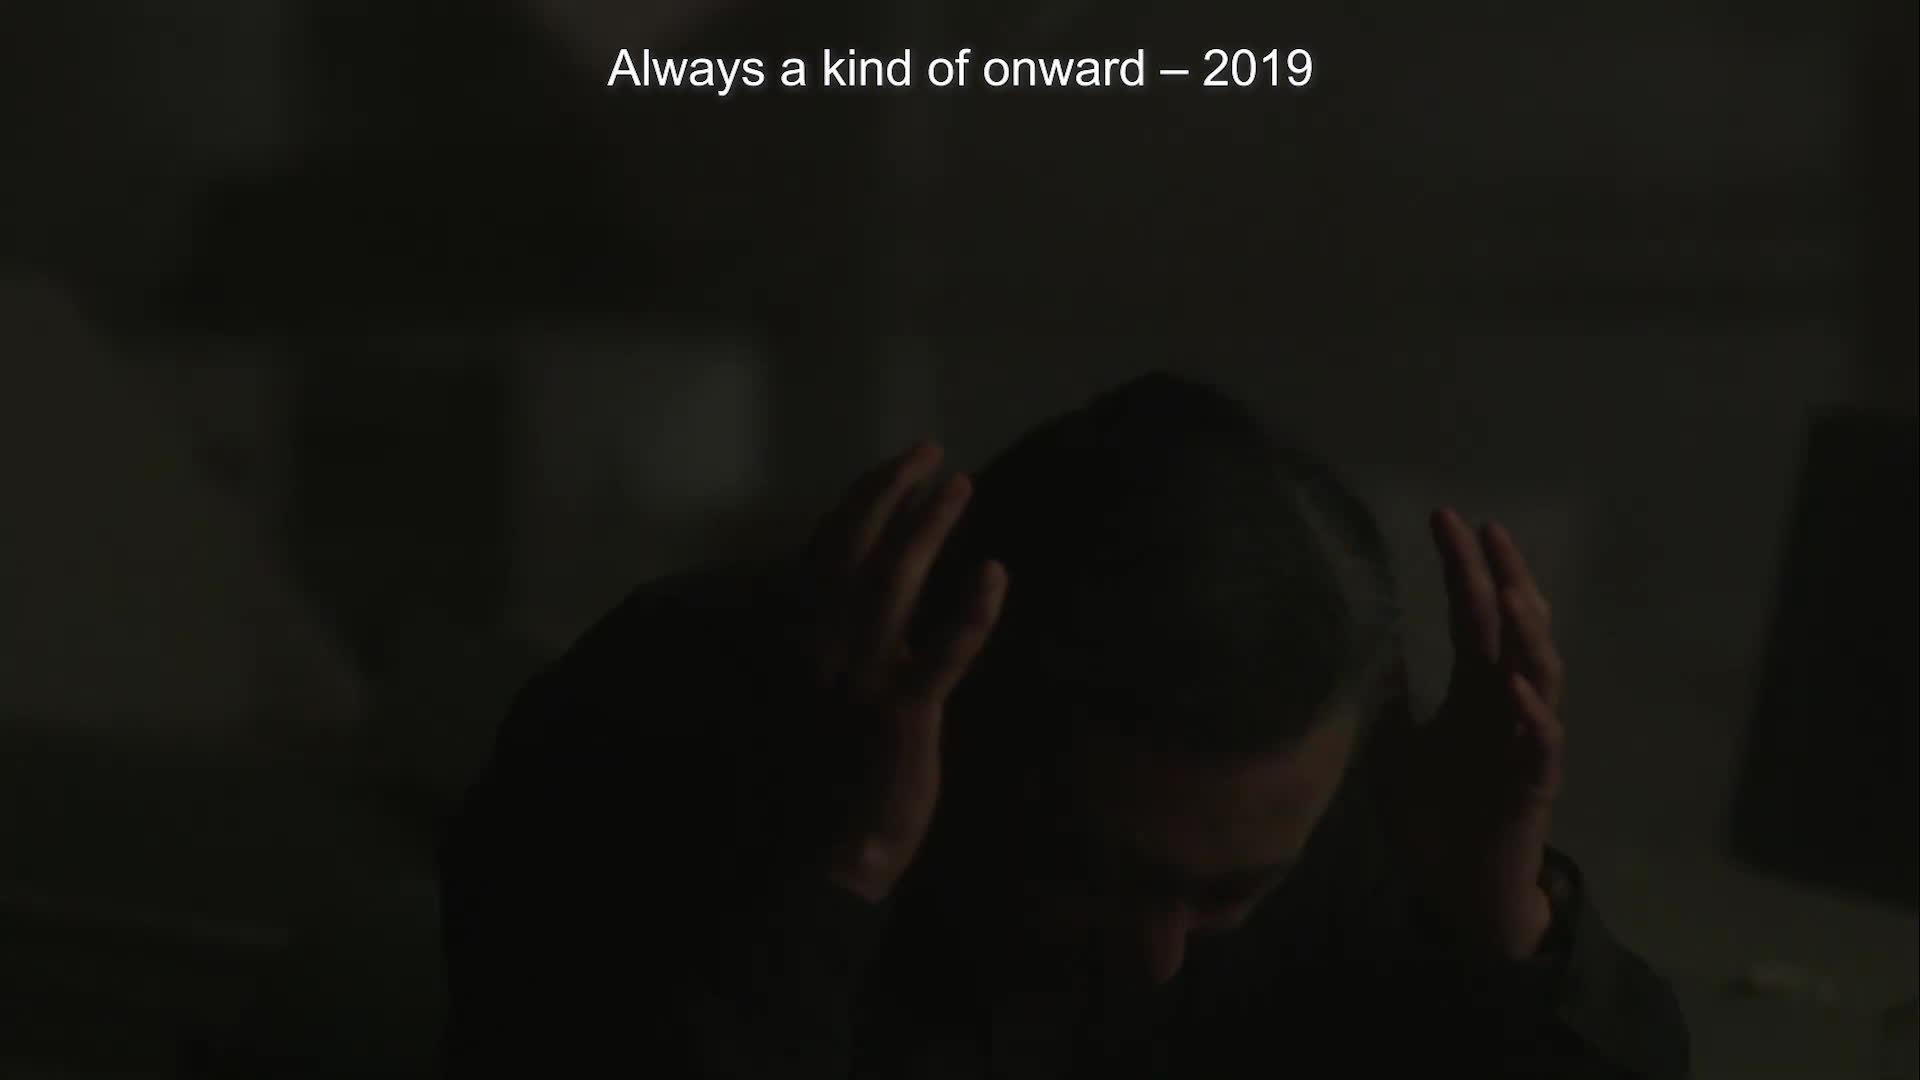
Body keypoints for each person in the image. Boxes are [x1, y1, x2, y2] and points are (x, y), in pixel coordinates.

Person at [438, 373, 1691, 1078]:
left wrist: (1501, 918)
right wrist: (833, 870)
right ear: (957, 706)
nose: (1160, 955)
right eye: (1092, 871)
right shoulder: (656, 732)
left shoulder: (1338, 817)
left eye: (1229, 897)